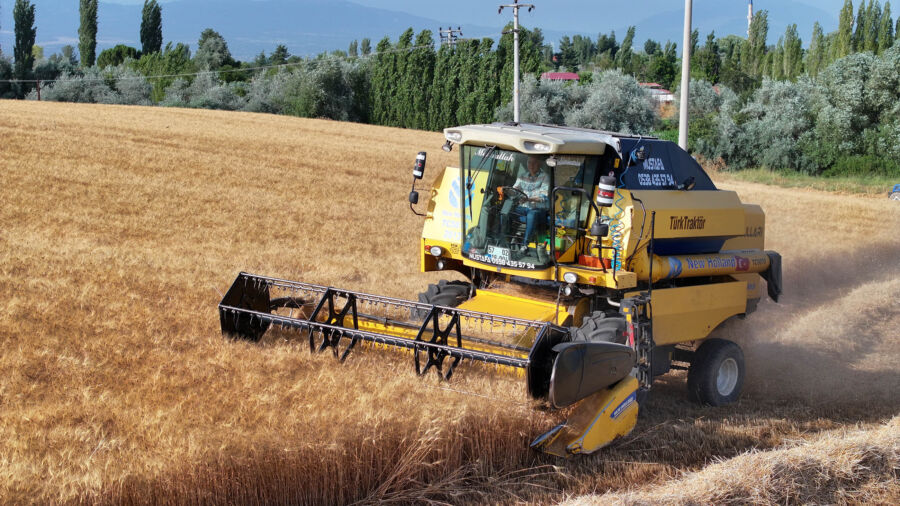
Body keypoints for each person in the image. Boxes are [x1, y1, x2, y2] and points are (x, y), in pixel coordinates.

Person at [501, 156, 549, 252]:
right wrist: (506, 190)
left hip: (539, 210)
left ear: (539, 164)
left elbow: (543, 198)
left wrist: (528, 199)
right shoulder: (522, 176)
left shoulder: (545, 177)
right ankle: (504, 239)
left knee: (532, 214)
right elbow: (515, 191)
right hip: (523, 208)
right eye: (529, 163)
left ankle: (524, 244)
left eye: (534, 163)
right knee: (505, 210)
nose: (531, 165)